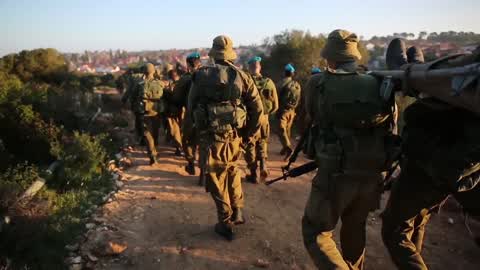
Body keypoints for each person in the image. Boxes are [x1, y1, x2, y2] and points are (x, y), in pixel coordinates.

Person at [302, 29, 396, 269]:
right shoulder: (379, 82)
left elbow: (313, 116)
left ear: (329, 56)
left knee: (316, 232)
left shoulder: (318, 82)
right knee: (354, 227)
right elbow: (391, 126)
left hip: (336, 173)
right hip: (372, 173)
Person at [381, 42, 480, 270]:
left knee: (395, 229)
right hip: (465, 165)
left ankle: (411, 71)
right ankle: (415, 71)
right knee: (417, 218)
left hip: (441, 158)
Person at [188, 35, 263, 240]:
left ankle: (225, 221)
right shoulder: (243, 76)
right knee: (232, 170)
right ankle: (237, 208)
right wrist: (248, 135)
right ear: (230, 53)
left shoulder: (201, 76)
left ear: (213, 53)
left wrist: (191, 135)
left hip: (210, 138)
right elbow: (258, 110)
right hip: (234, 136)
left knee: (214, 178)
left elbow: (191, 106)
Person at [244, 56, 278, 183]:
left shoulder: (246, 82)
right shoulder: (269, 82)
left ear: (249, 68)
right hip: (264, 118)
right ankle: (263, 164)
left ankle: (254, 174)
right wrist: (266, 114)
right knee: (262, 142)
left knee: (250, 145)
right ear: (260, 67)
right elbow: (275, 106)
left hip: (250, 119)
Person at [172, 52, 203, 178]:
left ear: (188, 64)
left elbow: (176, 97)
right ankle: (204, 169)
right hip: (208, 115)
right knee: (204, 143)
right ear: (199, 62)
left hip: (191, 114)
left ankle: (190, 162)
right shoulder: (209, 76)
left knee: (188, 140)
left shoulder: (185, 78)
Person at [132, 63, 165, 165]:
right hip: (156, 111)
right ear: (154, 71)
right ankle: (154, 148)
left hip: (144, 111)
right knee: (155, 131)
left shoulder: (140, 84)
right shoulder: (160, 83)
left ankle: (152, 155)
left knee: (147, 133)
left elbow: (134, 97)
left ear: (144, 72)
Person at [276, 63, 301, 160]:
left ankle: (287, 147)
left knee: (281, 130)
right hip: (292, 111)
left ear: (284, 73)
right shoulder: (297, 84)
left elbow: (276, 97)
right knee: (287, 129)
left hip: (283, 110)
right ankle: (284, 148)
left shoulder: (281, 83)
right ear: (292, 73)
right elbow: (299, 98)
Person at [121, 69, 146, 144]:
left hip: (139, 104)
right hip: (153, 105)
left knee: (139, 121)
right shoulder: (149, 77)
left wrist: (124, 99)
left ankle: (142, 139)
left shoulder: (133, 79)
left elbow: (130, 90)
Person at [163, 65, 183, 155]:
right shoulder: (184, 83)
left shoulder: (167, 86)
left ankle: (178, 148)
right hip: (183, 110)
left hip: (172, 110)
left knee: (175, 129)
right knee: (183, 128)